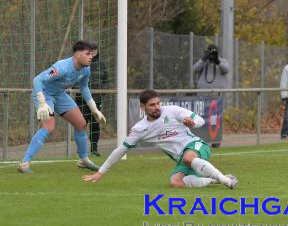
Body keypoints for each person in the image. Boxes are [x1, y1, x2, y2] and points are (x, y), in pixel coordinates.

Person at [82, 89, 238, 189]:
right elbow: (121, 149)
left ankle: (227, 182)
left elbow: (200, 120)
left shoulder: (172, 110)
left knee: (189, 157)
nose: (157, 107)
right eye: (152, 105)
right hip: (182, 159)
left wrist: (194, 123)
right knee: (175, 183)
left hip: (196, 146)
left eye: (158, 103)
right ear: (142, 107)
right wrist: (101, 172)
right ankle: (215, 180)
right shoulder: (140, 129)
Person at [18, 40, 104, 174]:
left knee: (81, 123)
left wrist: (94, 109)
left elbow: (84, 87)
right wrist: (42, 103)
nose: (91, 56)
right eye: (87, 54)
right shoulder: (61, 67)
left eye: (91, 54)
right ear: (77, 55)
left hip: (59, 94)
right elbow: (37, 80)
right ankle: (24, 163)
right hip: (43, 93)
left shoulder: (86, 69)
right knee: (49, 126)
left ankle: (84, 160)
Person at [74, 52, 109, 157]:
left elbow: (106, 81)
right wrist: (76, 89)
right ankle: (81, 150)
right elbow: (74, 80)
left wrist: (103, 92)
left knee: (95, 124)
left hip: (96, 99)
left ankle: (94, 148)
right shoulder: (81, 65)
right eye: (90, 51)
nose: (92, 53)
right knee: (81, 124)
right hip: (81, 100)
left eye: (95, 49)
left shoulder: (101, 65)